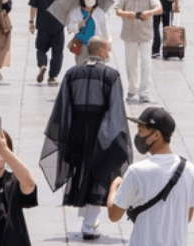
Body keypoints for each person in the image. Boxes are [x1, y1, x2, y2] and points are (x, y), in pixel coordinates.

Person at [40, 36, 133, 240]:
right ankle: (89, 224)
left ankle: (88, 219)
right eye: (108, 49)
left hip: (77, 131)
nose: (109, 53)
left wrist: (65, 132)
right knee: (100, 175)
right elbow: (115, 110)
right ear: (101, 51)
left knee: (81, 173)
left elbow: (63, 106)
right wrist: (114, 138)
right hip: (102, 132)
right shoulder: (111, 75)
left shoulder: (72, 73)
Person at [107, 107, 194, 245]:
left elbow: (114, 215)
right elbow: (187, 216)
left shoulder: (136, 171)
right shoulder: (190, 170)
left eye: (141, 130)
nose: (138, 136)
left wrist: (114, 187)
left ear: (156, 135)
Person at [114, 0, 162, 102]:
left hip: (145, 34)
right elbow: (117, 10)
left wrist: (150, 12)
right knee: (130, 64)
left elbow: (159, 8)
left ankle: (144, 92)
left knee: (146, 63)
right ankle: (131, 89)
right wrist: (125, 14)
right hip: (129, 34)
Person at [29, 0, 66, 86]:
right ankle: (52, 76)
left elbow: (33, 6)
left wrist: (31, 22)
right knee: (57, 52)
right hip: (58, 25)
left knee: (41, 48)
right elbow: (67, 8)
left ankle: (42, 64)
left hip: (43, 24)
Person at [67, 0, 110, 65]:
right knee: (81, 66)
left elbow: (104, 28)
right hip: (81, 44)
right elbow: (70, 26)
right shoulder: (76, 11)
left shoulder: (99, 12)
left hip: (96, 44)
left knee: (98, 66)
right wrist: (78, 25)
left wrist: (108, 42)